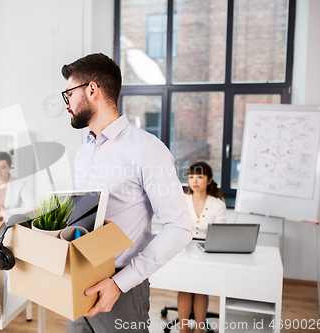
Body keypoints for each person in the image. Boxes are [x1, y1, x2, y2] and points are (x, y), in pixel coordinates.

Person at [61, 53, 192, 332]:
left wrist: (120, 283)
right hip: (78, 282)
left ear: (92, 90)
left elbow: (180, 225)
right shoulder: (83, 153)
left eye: (69, 94)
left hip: (121, 288)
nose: (67, 105)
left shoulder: (147, 149)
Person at [177, 161, 227, 333]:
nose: (194, 181)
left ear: (209, 180)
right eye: (191, 177)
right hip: (184, 248)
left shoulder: (217, 204)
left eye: (200, 176)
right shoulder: (182, 200)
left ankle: (199, 329)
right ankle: (183, 329)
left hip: (209, 249)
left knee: (200, 288)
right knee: (184, 286)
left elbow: (220, 234)